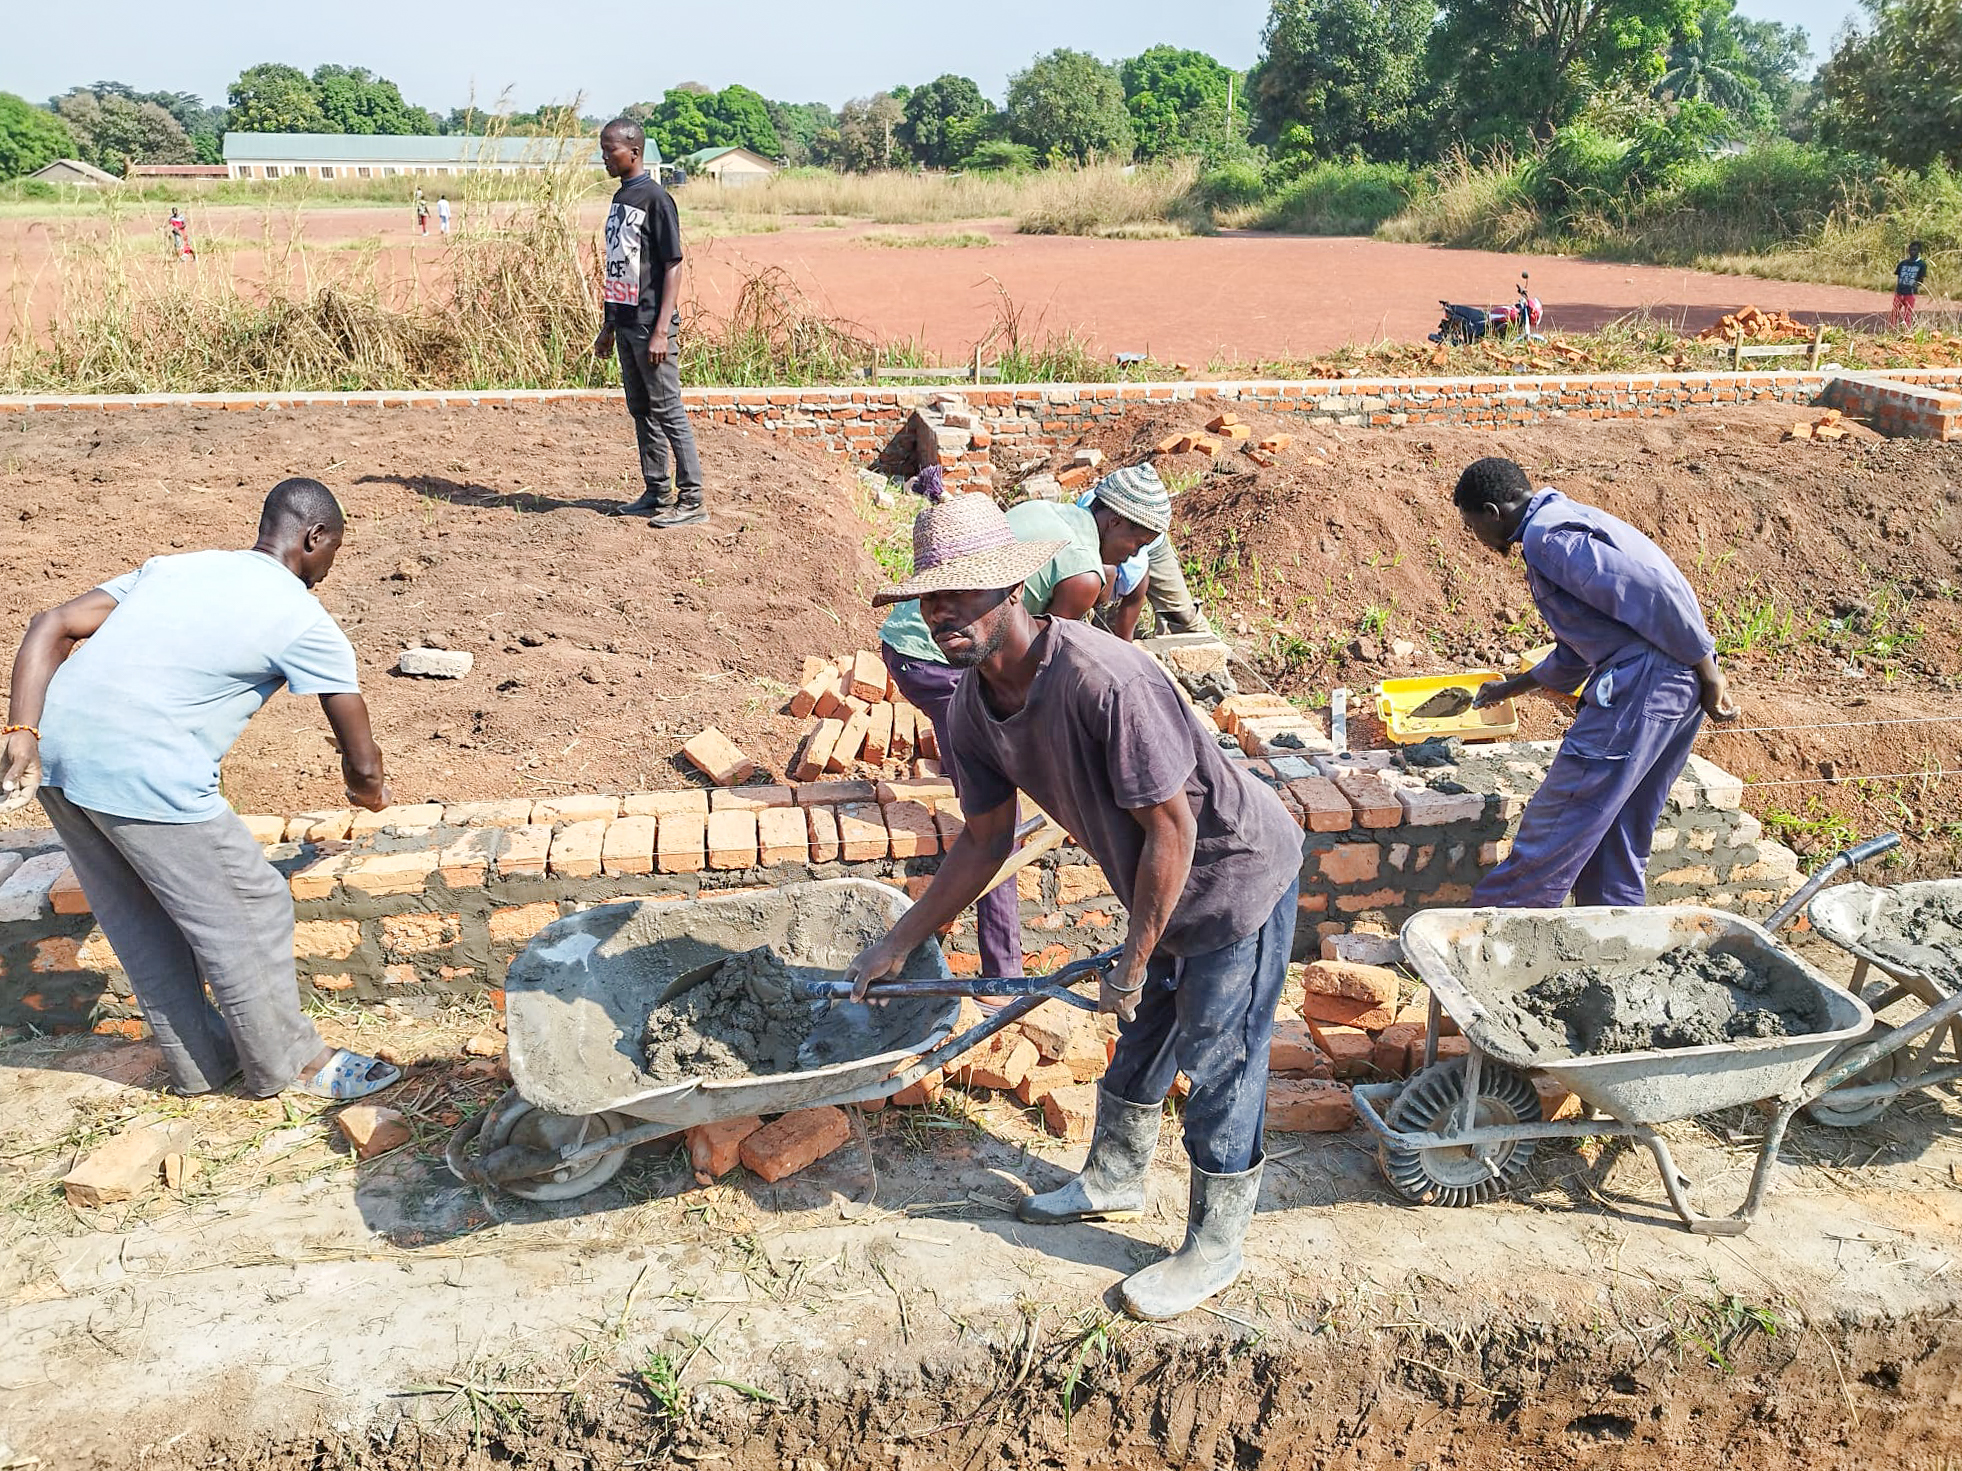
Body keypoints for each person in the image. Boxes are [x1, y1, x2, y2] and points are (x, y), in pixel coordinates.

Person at [848, 494, 1301, 1321]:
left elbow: (1173, 829)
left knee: (1218, 1052)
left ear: (1012, 589)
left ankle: (1214, 1245)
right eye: (931, 597)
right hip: (1159, 885)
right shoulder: (969, 704)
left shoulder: (1105, 680)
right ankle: (1115, 1177)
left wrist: (1134, 958)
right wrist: (900, 938)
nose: (944, 612)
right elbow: (984, 843)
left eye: (964, 593)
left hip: (1232, 874)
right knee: (1146, 1031)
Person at [0, 480, 401, 1103]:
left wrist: (21, 732)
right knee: (253, 906)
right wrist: (368, 796)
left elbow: (52, 622)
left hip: (53, 752)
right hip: (144, 769)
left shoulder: (176, 569)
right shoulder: (303, 617)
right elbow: (363, 760)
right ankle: (291, 1062)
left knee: (142, 918)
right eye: (332, 552)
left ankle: (201, 1067)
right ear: (314, 538)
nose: (326, 570)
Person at [878, 466, 1165, 981]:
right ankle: (1001, 971)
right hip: (934, 662)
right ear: (1110, 519)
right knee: (993, 821)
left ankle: (1000, 966)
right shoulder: (1079, 578)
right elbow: (1053, 674)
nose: (1132, 554)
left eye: (1145, 546)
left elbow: (1072, 675)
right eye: (1132, 541)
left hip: (914, 655)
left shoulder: (1053, 516)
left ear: (1012, 584)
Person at [1454, 457, 1739, 909]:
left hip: (1646, 683)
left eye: (1473, 527)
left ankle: (1488, 941)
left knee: (1561, 816)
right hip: (1672, 682)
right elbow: (1578, 650)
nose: (1478, 538)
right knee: (1620, 828)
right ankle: (1614, 941)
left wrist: (1711, 675)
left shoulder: (1548, 537)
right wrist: (1510, 687)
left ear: (1492, 512)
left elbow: (1654, 596)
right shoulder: (1569, 520)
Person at [594, 116, 706, 528]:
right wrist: (608, 324)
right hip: (625, 324)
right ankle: (656, 491)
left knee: (668, 409)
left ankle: (692, 498)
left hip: (650, 325)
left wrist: (661, 330)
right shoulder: (621, 198)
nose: (605, 157)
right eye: (603, 150)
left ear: (634, 152)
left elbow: (673, 264)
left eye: (611, 150)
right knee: (642, 410)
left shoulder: (656, 199)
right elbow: (620, 266)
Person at [1073, 483, 1212, 639]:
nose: (1135, 552)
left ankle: (1211, 646)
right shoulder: (1078, 552)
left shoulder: (1133, 566)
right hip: (1114, 522)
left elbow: (1126, 639)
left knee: (1180, 614)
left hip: (1146, 534)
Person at [1892, 241, 1929, 329]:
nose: (1912, 251)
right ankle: (1891, 329)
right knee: (1894, 312)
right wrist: (1897, 289)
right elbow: (1899, 276)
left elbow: (1921, 279)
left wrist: (1915, 287)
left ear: (1919, 251)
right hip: (1899, 292)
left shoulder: (1921, 264)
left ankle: (1906, 330)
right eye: (1911, 249)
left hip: (1910, 292)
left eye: (1915, 250)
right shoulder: (1902, 263)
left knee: (1907, 313)